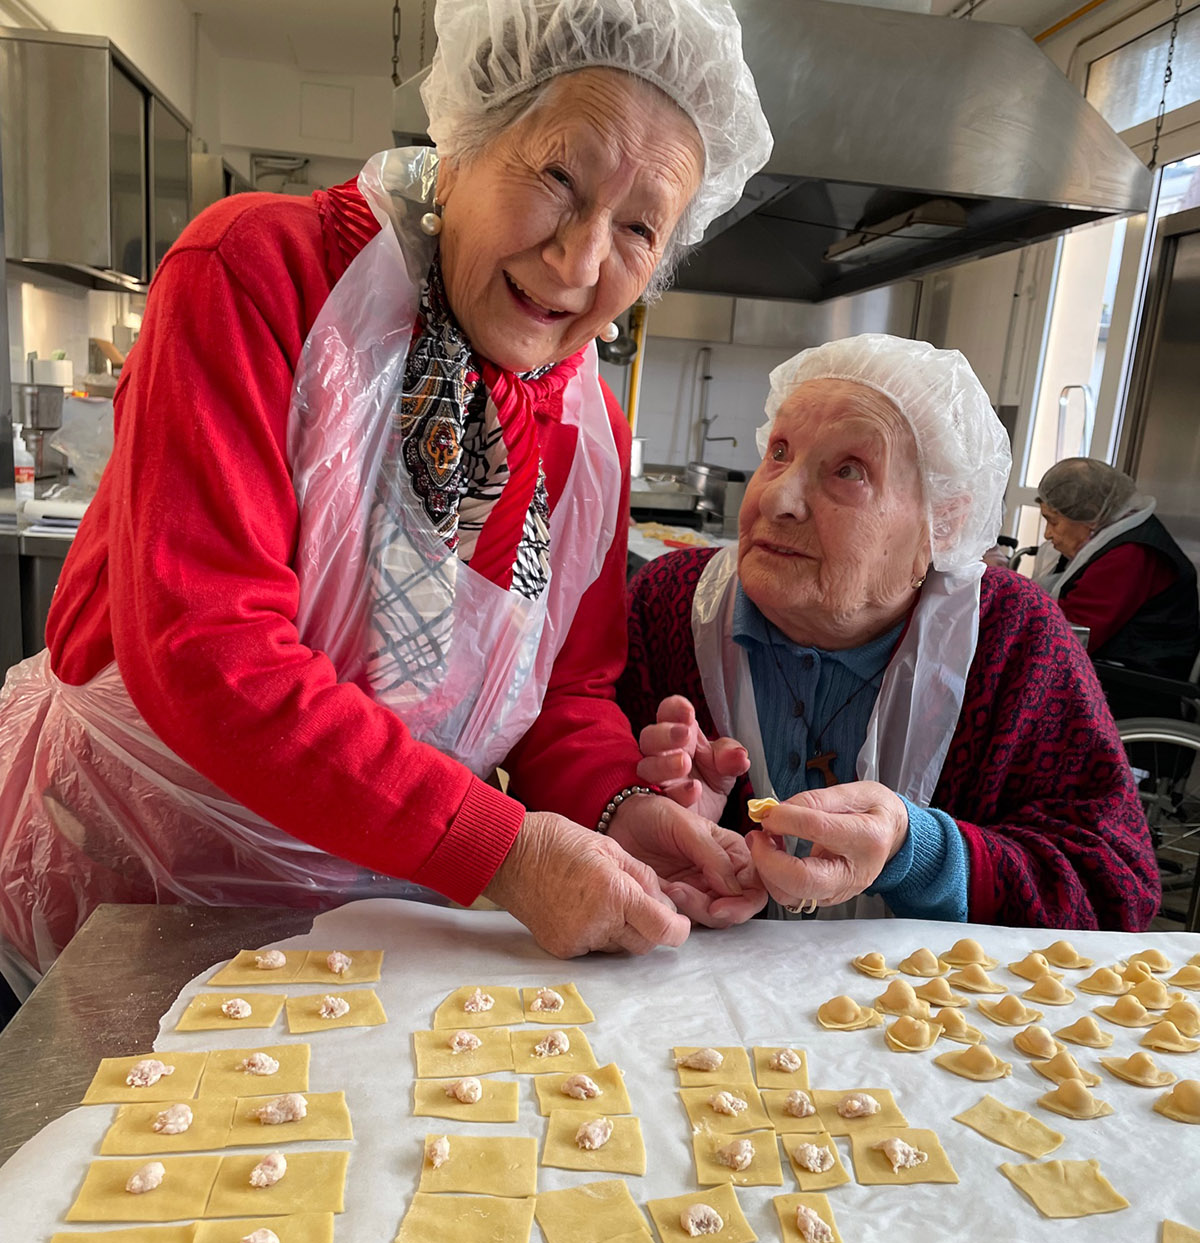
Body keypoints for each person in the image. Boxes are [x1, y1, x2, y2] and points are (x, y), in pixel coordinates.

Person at [0, 0, 773, 993]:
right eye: (557, 178)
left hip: (377, 927)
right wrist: (501, 851)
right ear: (464, 145)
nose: (579, 262)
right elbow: (211, 650)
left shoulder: (589, 434)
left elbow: (563, 693)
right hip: (138, 888)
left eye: (637, 228)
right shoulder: (262, 272)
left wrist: (617, 810)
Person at [621, 335, 1160, 929]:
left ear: (942, 523)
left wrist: (919, 853)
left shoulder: (1013, 639)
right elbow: (571, 813)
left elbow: (1115, 889)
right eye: (779, 452)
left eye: (849, 471)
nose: (778, 497)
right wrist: (645, 816)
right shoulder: (672, 604)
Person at [1036, 457, 1200, 720]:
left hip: (1131, 690)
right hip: (1114, 673)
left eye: (1053, 521)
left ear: (1090, 516)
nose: (1047, 534)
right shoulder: (1116, 536)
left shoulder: (1130, 555)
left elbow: (1072, 634)